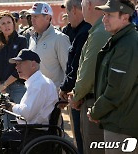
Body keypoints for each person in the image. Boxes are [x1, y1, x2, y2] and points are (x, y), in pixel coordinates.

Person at [0, 49, 58, 154]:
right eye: (16, 64)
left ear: (33, 64)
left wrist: (10, 105)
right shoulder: (39, 82)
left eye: (20, 64)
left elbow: (26, 114)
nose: (16, 67)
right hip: (31, 130)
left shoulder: (39, 85)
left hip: (34, 133)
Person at [88, 0, 138, 153]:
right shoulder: (122, 40)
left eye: (109, 15)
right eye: (104, 14)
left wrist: (96, 111)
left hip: (122, 126)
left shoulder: (127, 44)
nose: (104, 19)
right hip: (120, 122)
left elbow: (116, 90)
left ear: (125, 17)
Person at [67, 0, 111, 153]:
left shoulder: (100, 33)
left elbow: (89, 72)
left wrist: (77, 95)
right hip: (93, 100)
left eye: (83, 3)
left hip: (95, 102)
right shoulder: (97, 30)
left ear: (90, 5)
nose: (81, 7)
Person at [59, 0, 91, 153]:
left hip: (82, 95)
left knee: (83, 140)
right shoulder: (71, 30)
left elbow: (77, 65)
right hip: (74, 93)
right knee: (79, 139)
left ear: (75, 10)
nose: (66, 15)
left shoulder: (86, 31)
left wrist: (65, 87)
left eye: (67, 11)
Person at [0, 11, 27, 129]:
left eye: (9, 22)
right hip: (1, 89)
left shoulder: (21, 40)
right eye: (3, 23)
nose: (6, 25)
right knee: (6, 124)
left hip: (18, 86)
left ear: (14, 24)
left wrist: (5, 84)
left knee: (20, 121)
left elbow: (21, 66)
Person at [28, 2, 71, 88]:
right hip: (36, 94)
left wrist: (64, 92)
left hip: (54, 97)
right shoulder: (32, 38)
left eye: (36, 16)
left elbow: (69, 70)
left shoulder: (60, 38)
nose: (32, 19)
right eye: (31, 16)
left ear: (47, 17)